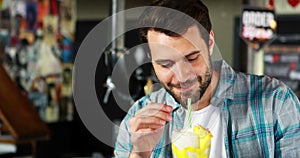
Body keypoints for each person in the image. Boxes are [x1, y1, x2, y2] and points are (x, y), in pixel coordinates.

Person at [114, 0, 300, 157]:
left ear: (210, 43)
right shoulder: (138, 118)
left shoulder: (276, 102)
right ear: (150, 57)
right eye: (165, 64)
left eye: (192, 58)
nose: (182, 76)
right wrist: (139, 154)